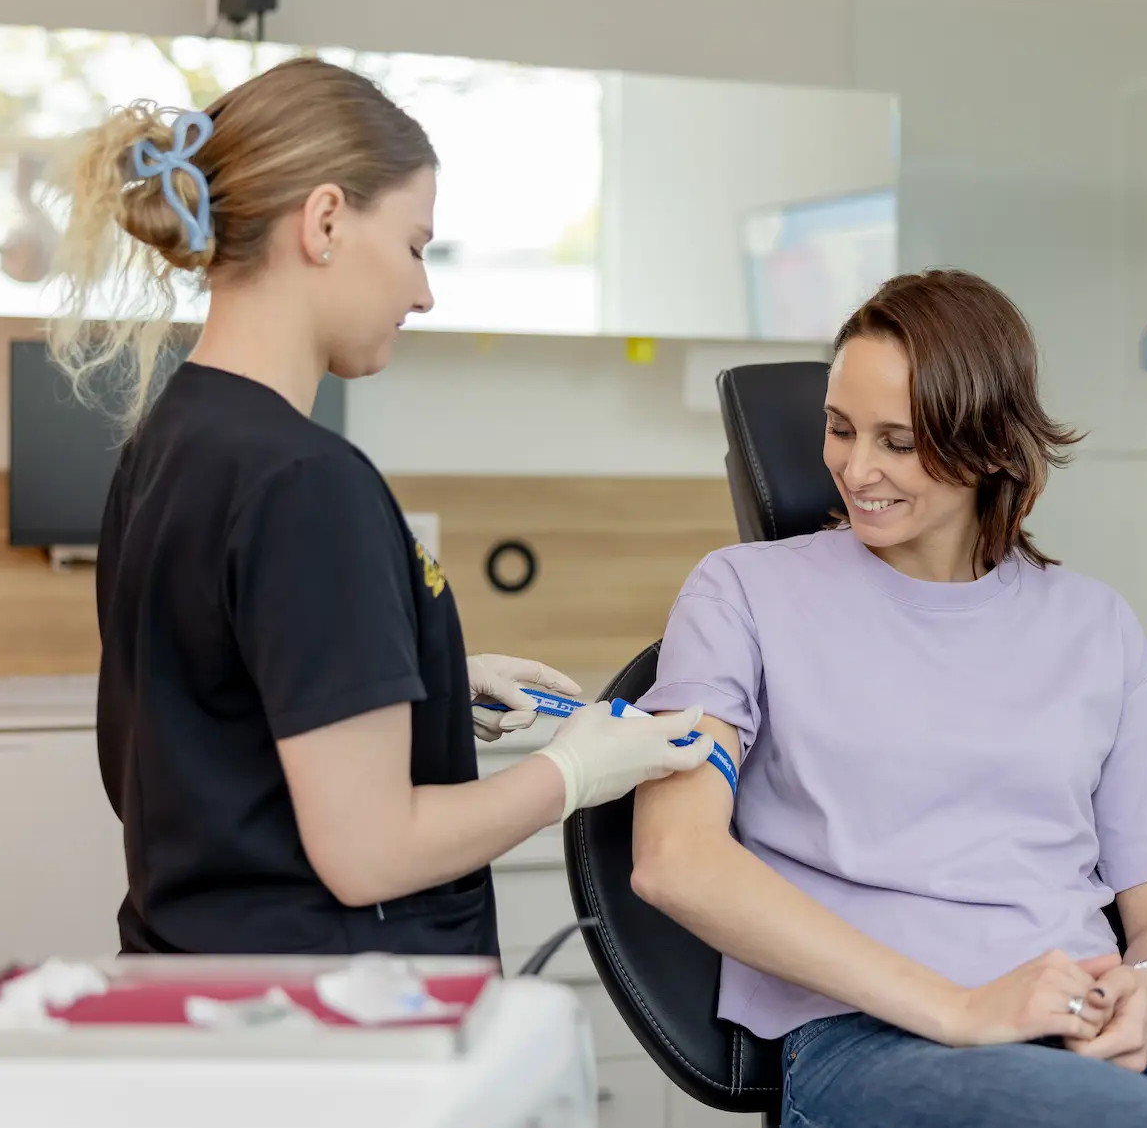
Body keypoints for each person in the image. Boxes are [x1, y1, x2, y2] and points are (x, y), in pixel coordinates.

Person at [628, 270, 1147, 1127]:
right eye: (840, 429)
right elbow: (675, 859)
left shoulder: (1092, 624)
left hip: (1086, 1018)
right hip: (872, 1038)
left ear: (989, 443)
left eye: (899, 440)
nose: (856, 467)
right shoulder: (742, 592)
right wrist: (961, 1009)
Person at [44, 57, 707, 957]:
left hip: (198, 983)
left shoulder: (167, 442)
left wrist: (419, 679)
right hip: (330, 1019)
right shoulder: (305, 480)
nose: (423, 292)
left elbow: (210, 704)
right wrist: (576, 769)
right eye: (414, 245)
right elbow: (371, 853)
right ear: (324, 221)